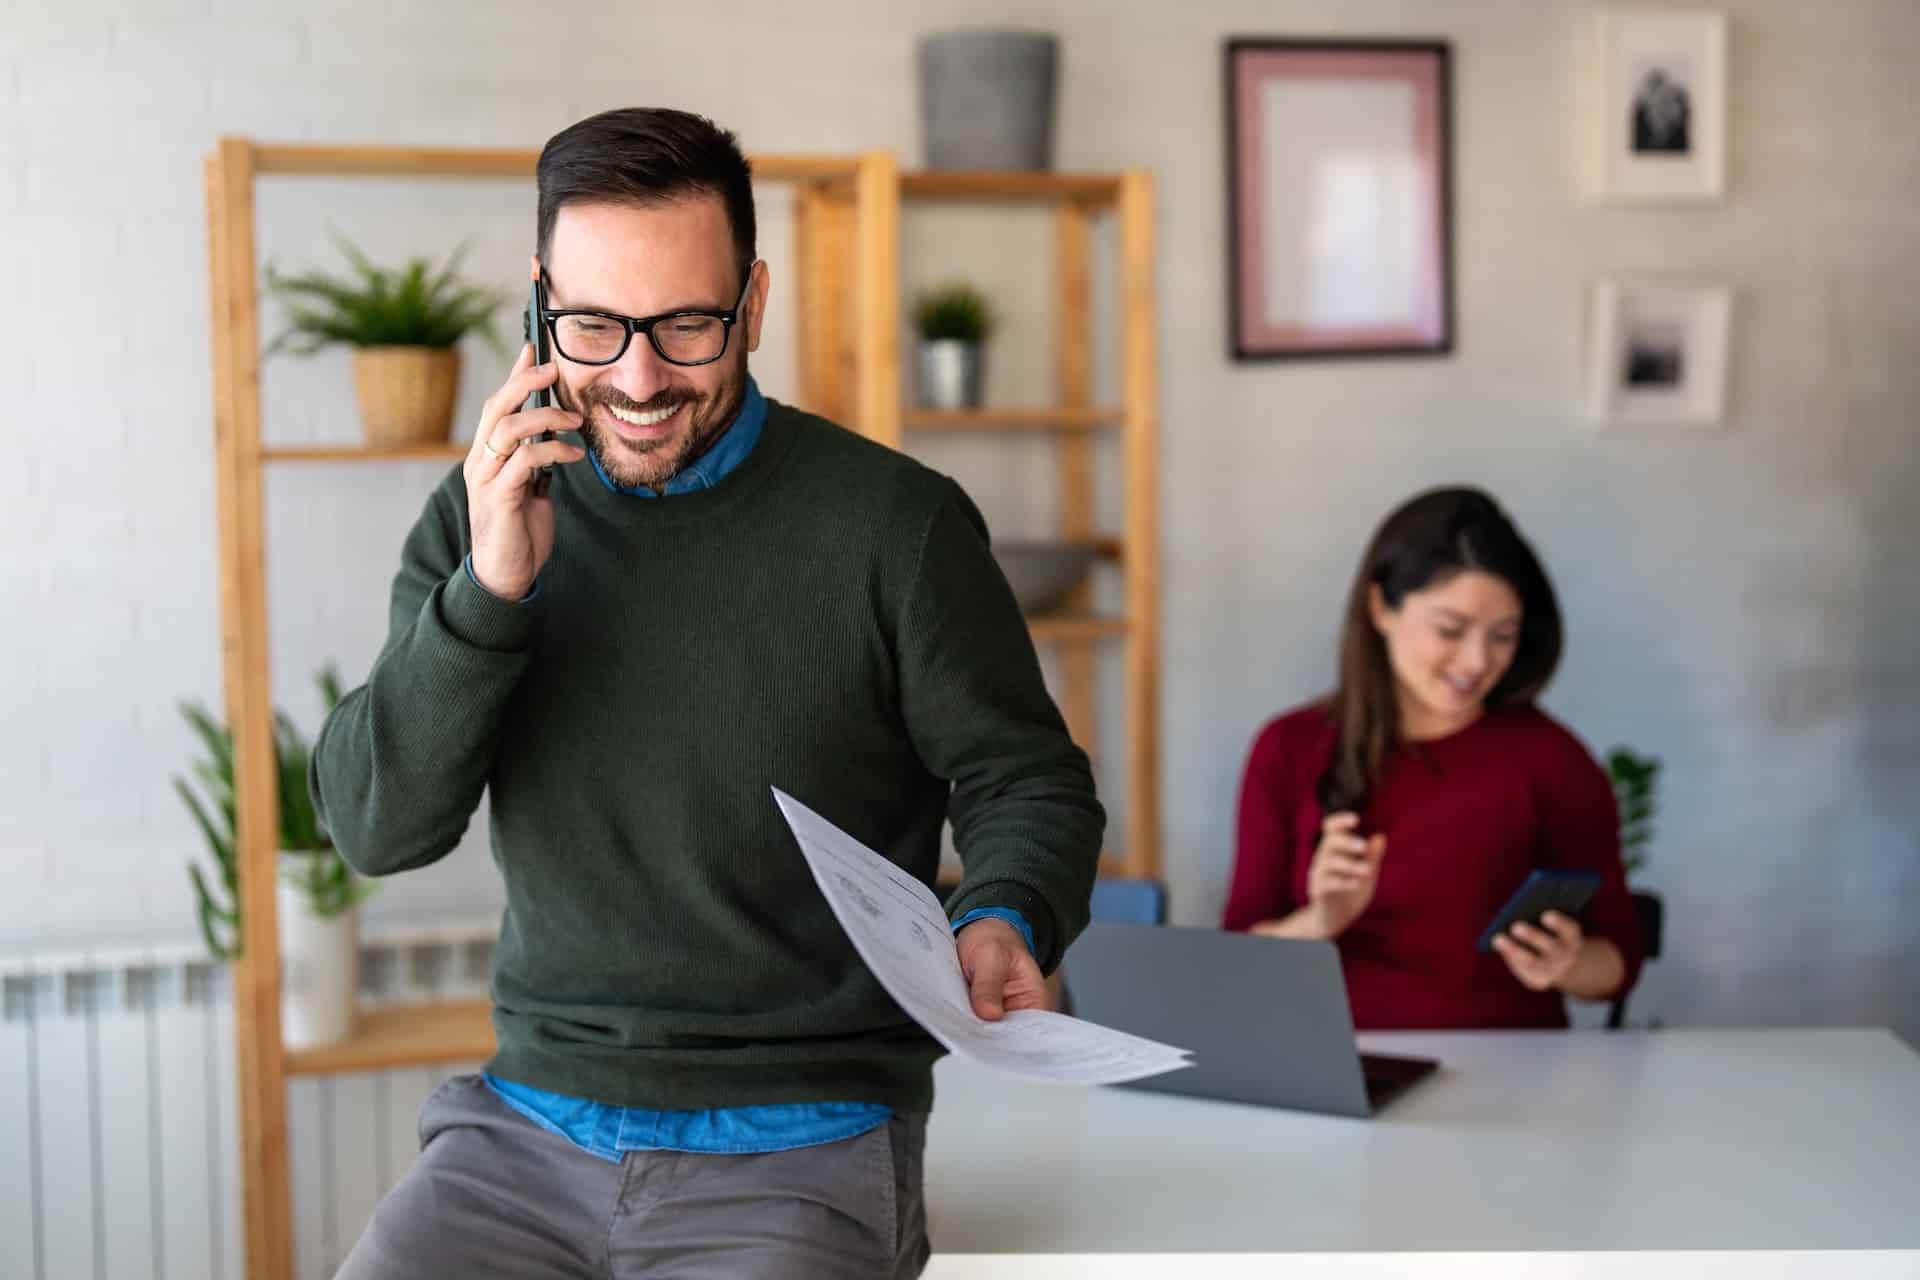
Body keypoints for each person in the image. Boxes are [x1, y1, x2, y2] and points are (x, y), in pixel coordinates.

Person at [314, 107, 1104, 1279]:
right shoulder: (484, 513)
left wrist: (1006, 910)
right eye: (593, 326)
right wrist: (489, 589)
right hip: (525, 1128)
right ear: (538, 300)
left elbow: (1026, 778)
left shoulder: (897, 525)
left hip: (803, 1134)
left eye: (687, 324)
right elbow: (377, 828)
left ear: (755, 302)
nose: (638, 378)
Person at [1222, 487, 1642, 1029]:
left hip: (1510, 1078)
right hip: (1330, 1065)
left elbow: (1620, 964)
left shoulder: (1553, 761)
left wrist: (1569, 964)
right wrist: (1317, 922)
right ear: (1380, 607)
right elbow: (1238, 957)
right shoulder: (1288, 748)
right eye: (1451, 630)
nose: (1476, 661)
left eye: (1503, 636)